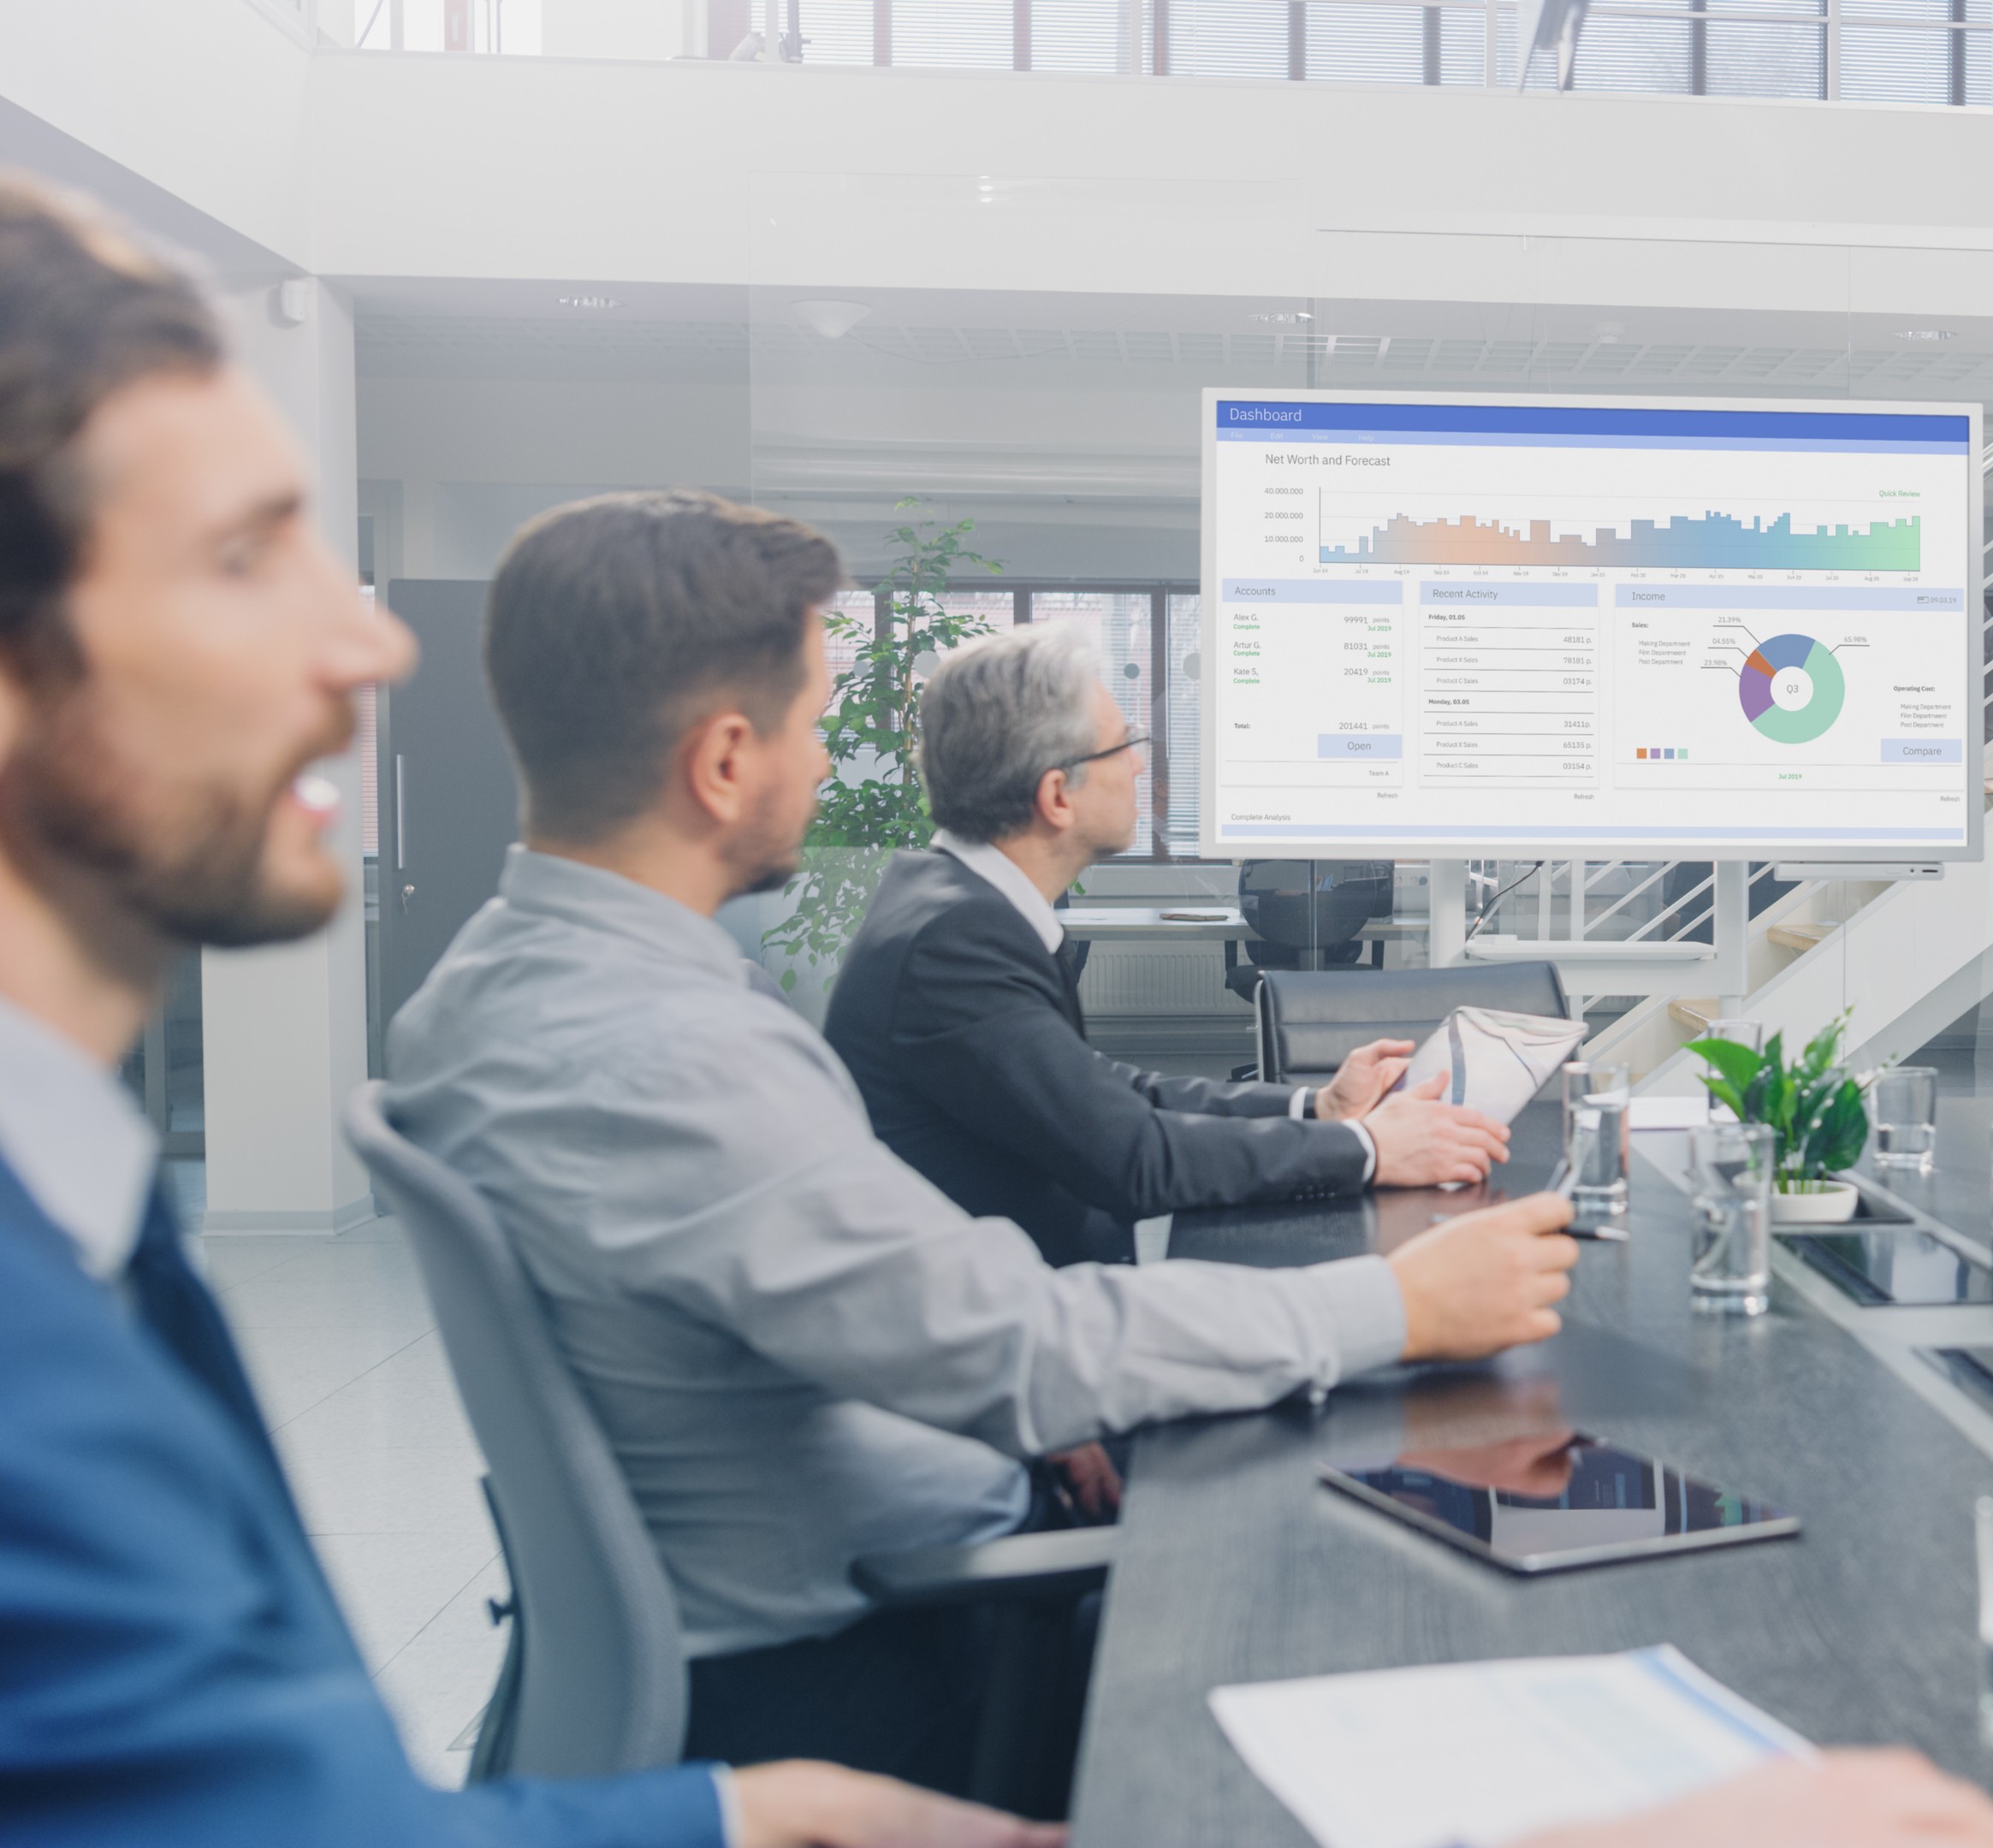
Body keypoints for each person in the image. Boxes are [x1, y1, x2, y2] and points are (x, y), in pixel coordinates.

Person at [0, 171, 1056, 1848]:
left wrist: (718, 1821)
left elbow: (230, 1814)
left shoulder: (73, 1208)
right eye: (242, 556)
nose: (371, 645)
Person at [384, 489, 1586, 1791]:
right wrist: (1396, 1305)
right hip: (872, 1664)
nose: (833, 767)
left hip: (792, 1573)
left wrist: (1008, 1415)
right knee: (1400, 1583)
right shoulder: (673, 1053)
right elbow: (1021, 1351)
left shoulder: (482, 994)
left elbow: (902, 1318)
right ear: (727, 760)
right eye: (814, 727)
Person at [825, 623, 1507, 1268]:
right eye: (1124, 747)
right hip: (1026, 1325)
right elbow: (1133, 1158)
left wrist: (1317, 1109)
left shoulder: (955, 903)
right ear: (1057, 795)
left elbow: (1108, 1094)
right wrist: (1366, 1148)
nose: (1141, 769)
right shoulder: (955, 943)